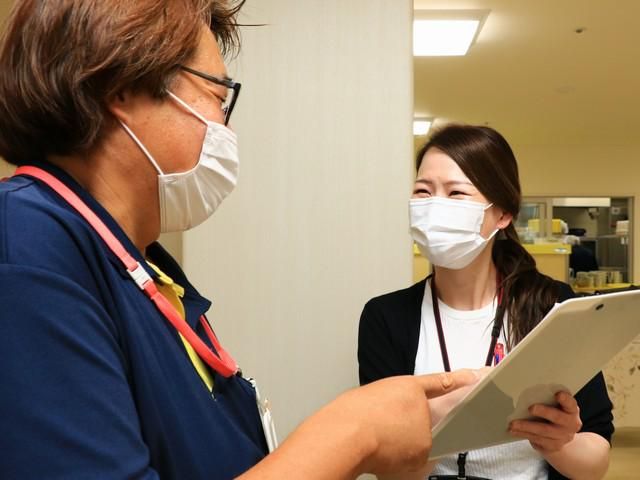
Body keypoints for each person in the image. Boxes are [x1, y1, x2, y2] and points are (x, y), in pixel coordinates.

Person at [0, 2, 481, 479]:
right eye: (216, 94)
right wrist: (355, 433)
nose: (224, 127)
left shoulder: (146, 269)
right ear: (120, 88)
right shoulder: (24, 248)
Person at [358, 125, 614, 480]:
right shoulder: (385, 317)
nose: (435, 207)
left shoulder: (553, 306)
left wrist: (558, 444)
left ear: (503, 214)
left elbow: (596, 460)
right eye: (423, 191)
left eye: (456, 193)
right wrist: (441, 420)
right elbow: (391, 471)